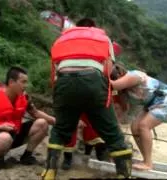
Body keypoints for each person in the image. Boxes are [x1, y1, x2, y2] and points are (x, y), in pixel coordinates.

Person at [40, 18, 132, 179]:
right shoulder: (102, 38)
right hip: (93, 81)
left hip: (63, 82)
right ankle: (124, 174)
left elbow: (55, 69)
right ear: (93, 28)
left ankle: (49, 171)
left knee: (60, 129)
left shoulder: (62, 38)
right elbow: (108, 68)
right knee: (113, 133)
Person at [0, 66, 56, 168]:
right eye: (23, 82)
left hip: (16, 133)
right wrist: (1, 127)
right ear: (12, 82)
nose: (26, 85)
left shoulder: (24, 96)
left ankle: (26, 156)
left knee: (42, 123)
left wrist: (54, 120)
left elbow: (35, 112)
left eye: (26, 82)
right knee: (4, 138)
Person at [110, 62, 167, 170]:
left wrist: (97, 75)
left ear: (119, 75)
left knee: (143, 126)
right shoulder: (124, 91)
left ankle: (148, 163)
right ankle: (146, 159)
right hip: (151, 103)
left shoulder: (133, 75)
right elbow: (123, 109)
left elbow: (113, 85)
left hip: (166, 99)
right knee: (134, 127)